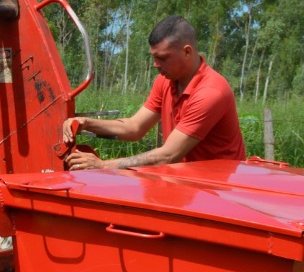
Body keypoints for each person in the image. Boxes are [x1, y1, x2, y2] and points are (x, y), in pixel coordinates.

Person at [63, 15, 246, 170]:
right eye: (154, 57)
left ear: (187, 52)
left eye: (162, 58)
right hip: (185, 179)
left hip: (220, 189)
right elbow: (134, 128)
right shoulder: (165, 82)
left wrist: (103, 165)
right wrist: (86, 123)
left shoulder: (211, 92)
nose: (155, 65)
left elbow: (168, 155)